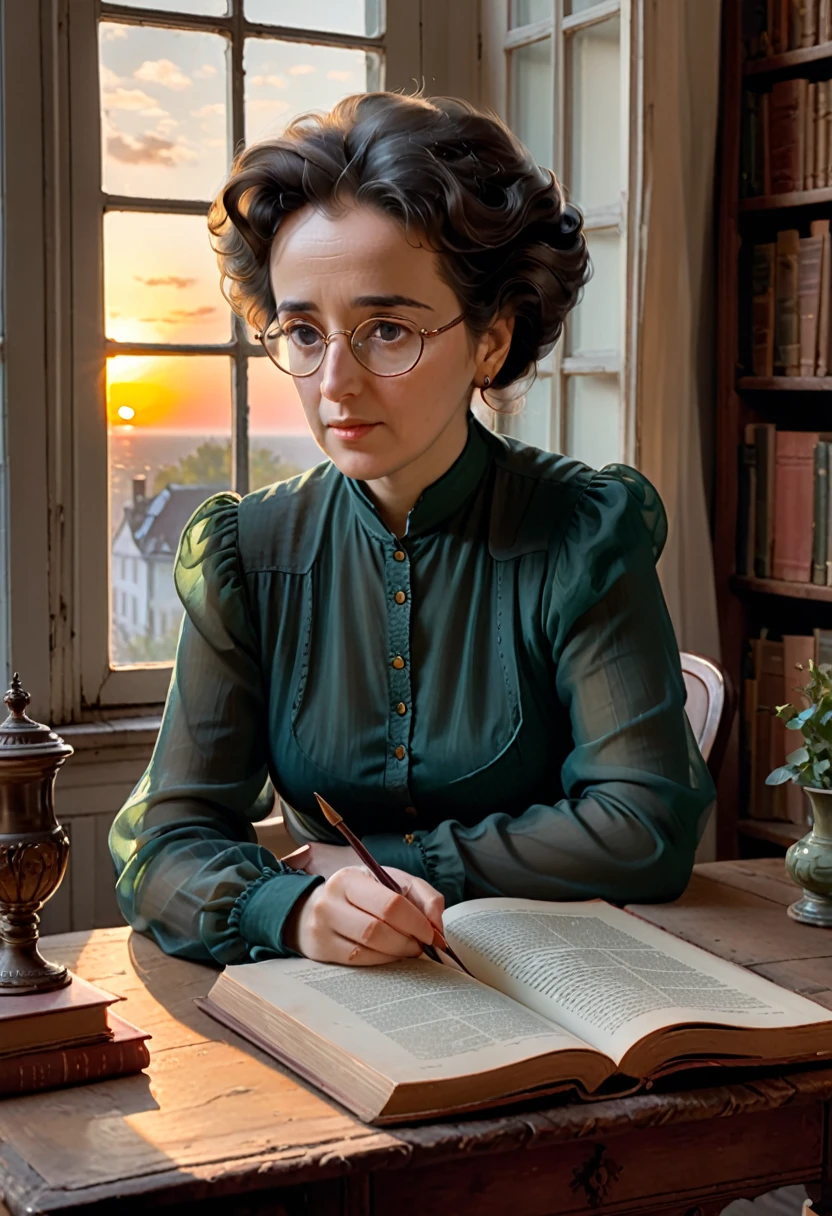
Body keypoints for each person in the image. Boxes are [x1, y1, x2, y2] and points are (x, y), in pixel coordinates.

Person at [108, 92, 715, 971]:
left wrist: (378, 870)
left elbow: (646, 825)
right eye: (304, 332)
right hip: (333, 1000)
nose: (334, 384)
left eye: (385, 329)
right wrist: (293, 910)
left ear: (491, 343)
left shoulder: (585, 533)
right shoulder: (247, 553)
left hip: (567, 984)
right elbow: (163, 842)